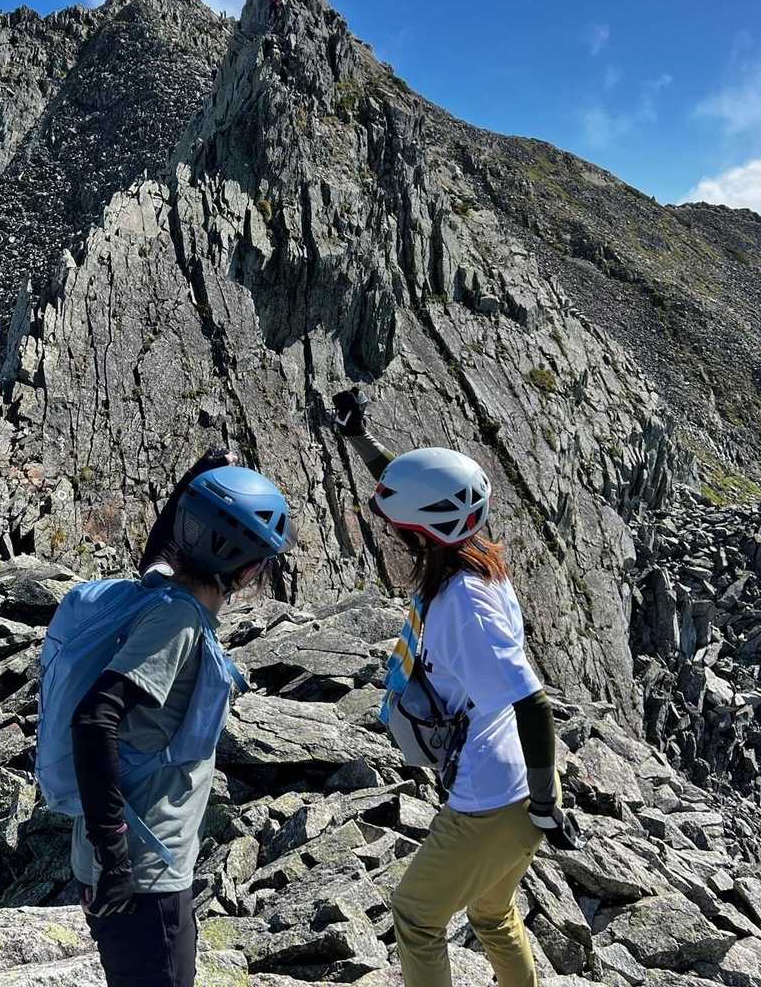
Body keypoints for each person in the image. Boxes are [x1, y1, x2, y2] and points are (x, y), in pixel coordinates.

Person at [331, 387, 577, 987]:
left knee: (416, 917)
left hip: (495, 796)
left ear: (421, 534)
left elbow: (533, 702)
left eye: (399, 528)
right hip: (516, 783)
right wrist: (360, 437)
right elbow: (414, 488)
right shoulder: (473, 557)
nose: (392, 534)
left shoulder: (463, 604)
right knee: (492, 914)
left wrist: (546, 805)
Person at [70, 454, 293, 987]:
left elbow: (160, 549)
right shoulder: (179, 619)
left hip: (121, 861)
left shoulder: (161, 589)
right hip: (143, 871)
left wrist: (195, 482)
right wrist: (115, 855)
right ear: (246, 570)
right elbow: (95, 718)